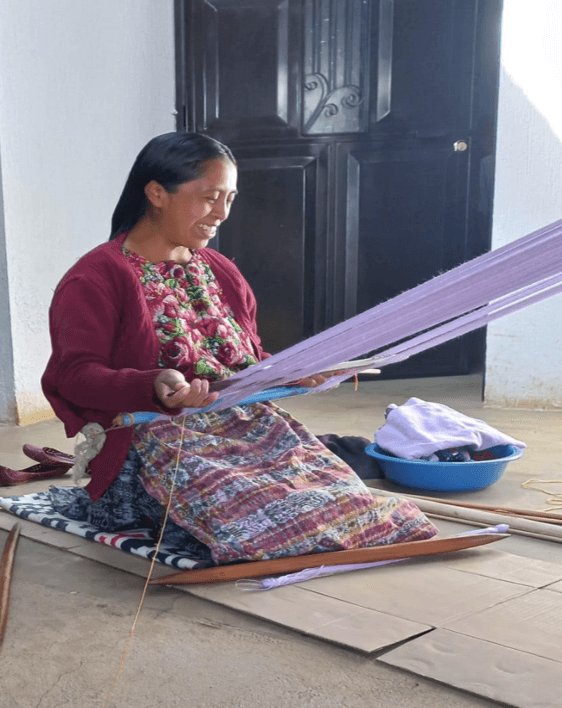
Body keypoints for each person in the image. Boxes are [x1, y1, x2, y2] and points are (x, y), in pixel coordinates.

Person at [42, 132, 437, 566]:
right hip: (157, 439)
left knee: (360, 509)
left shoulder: (220, 270)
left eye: (229, 198)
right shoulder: (96, 278)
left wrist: (292, 370)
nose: (222, 213)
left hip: (251, 427)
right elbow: (74, 377)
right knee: (269, 520)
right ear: (156, 193)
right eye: (210, 197)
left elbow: (244, 358)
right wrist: (153, 383)